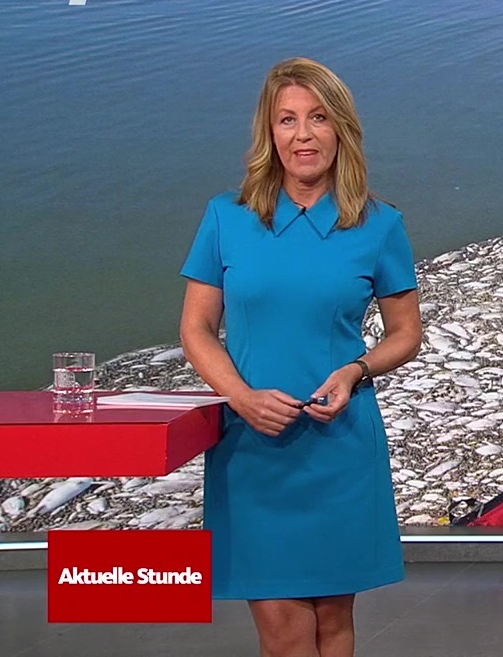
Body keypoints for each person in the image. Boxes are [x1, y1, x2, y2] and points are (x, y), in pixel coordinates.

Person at [179, 57, 422, 657]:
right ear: (270, 132)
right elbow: (196, 329)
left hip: (339, 444)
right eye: (287, 120)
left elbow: (405, 334)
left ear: (341, 129)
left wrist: (355, 370)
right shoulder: (227, 217)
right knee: (285, 632)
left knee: (334, 625)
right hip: (252, 447)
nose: (303, 135)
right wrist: (241, 398)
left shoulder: (380, 225)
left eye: (318, 118)